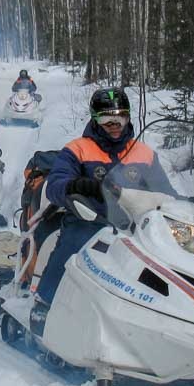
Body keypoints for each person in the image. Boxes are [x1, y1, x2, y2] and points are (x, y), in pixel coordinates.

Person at [30, 87, 155, 333]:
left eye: (120, 117)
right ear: (95, 119)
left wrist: (185, 201)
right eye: (107, 119)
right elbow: (55, 184)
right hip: (91, 218)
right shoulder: (78, 149)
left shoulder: (142, 153)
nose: (115, 124)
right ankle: (44, 302)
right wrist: (75, 185)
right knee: (74, 240)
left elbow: (162, 188)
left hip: (134, 223)